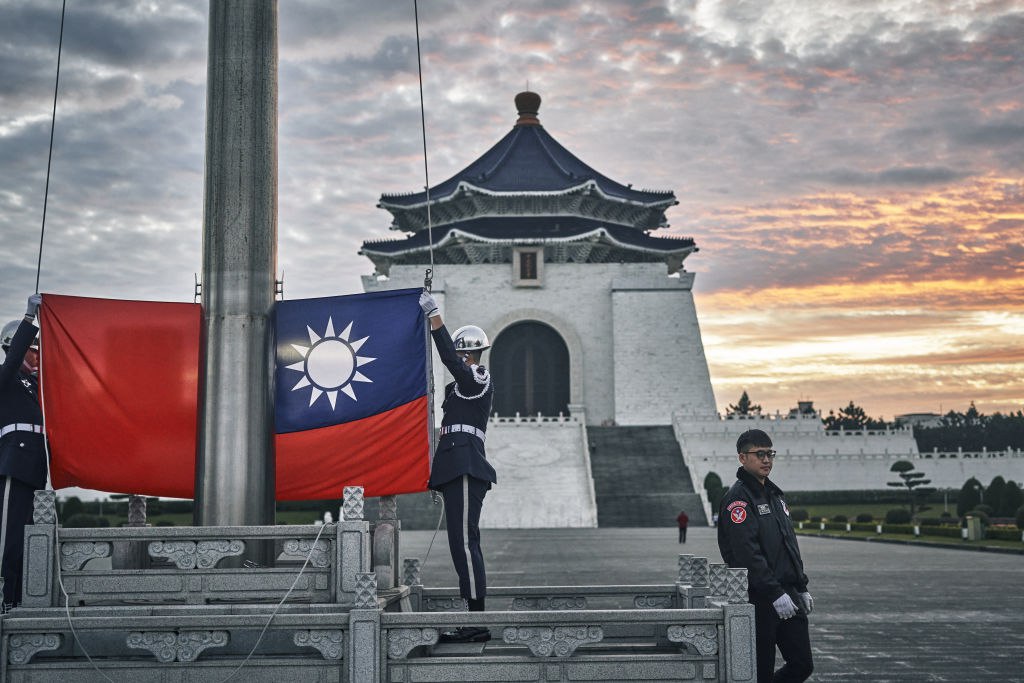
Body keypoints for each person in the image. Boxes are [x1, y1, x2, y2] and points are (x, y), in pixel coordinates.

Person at [419, 290, 496, 643]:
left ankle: (476, 619)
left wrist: (436, 318)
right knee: (457, 544)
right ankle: (471, 615)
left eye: (464, 354)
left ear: (472, 354)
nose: (462, 358)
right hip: (453, 465)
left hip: (466, 463)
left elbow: (450, 361)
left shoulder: (478, 378)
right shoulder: (456, 389)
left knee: (466, 543)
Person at [717, 429, 814, 683]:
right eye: (759, 454)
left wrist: (800, 586)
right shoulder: (737, 499)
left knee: (802, 664)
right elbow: (746, 554)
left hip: (788, 593)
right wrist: (774, 592)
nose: (767, 459)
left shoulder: (775, 495)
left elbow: (789, 545)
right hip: (760, 598)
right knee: (760, 670)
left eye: (770, 453)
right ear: (742, 458)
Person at [0, 294, 47, 608]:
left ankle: (15, 599)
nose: (38, 355)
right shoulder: (5, 378)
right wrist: (29, 319)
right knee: (8, 538)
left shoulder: (36, 386)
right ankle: (2, 595)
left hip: (35, 468)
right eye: (34, 349)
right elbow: (13, 360)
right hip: (13, 464)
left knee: (25, 542)